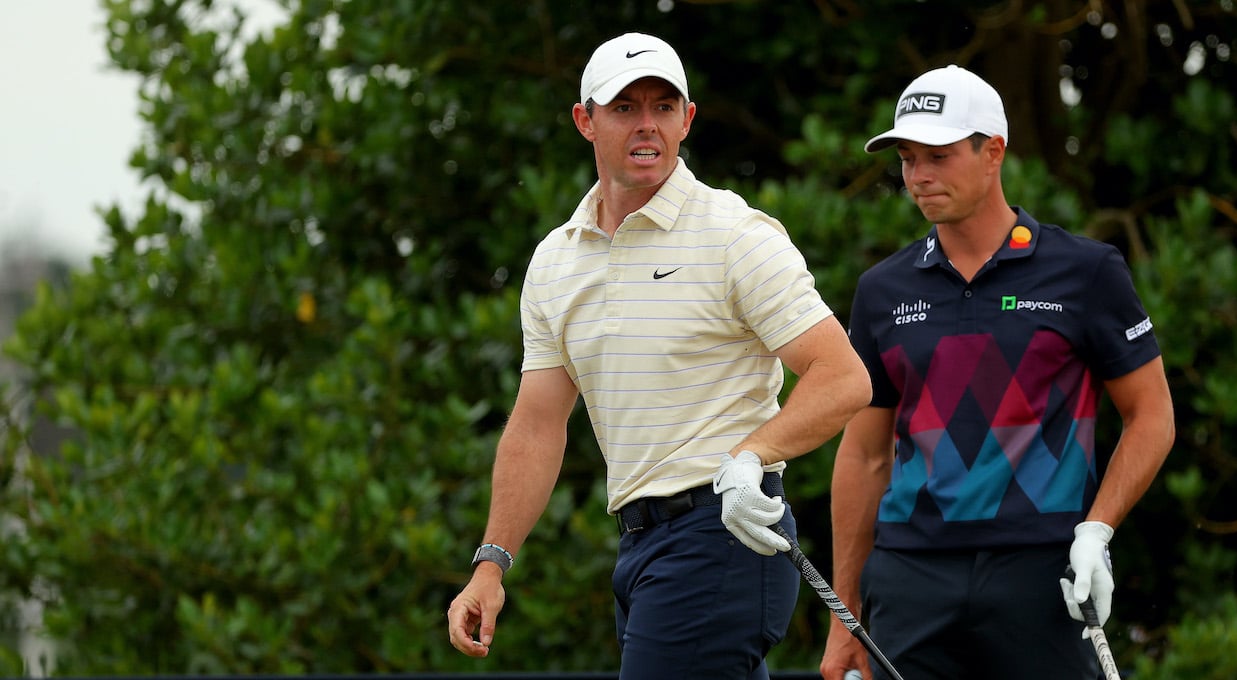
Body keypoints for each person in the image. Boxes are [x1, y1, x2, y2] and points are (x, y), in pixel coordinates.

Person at [446, 32, 872, 679]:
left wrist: (750, 456)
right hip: (642, 547)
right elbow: (538, 421)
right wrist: (491, 563)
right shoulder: (557, 260)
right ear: (585, 120)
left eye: (663, 107)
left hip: (723, 537)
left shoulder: (734, 234)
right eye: (624, 108)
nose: (647, 125)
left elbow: (842, 377)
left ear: (687, 120)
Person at [820, 65, 1175, 680]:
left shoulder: (1086, 271)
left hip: (1041, 573)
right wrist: (843, 612)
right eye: (907, 158)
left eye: (938, 155)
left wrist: (1097, 529)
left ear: (993, 152)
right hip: (911, 578)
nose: (918, 176)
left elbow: (1152, 417)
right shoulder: (882, 290)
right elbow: (864, 456)